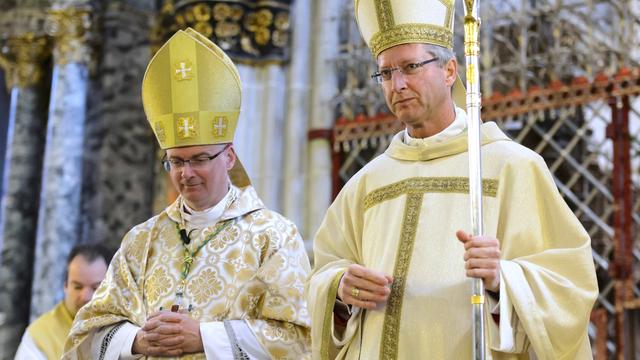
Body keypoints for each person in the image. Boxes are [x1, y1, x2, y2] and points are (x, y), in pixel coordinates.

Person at [307, 0, 598, 359]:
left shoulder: (511, 167)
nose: (397, 84)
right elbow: (325, 270)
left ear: (449, 70)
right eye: (385, 73)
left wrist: (502, 279)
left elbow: (570, 283)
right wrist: (339, 290)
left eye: (411, 66)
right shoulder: (366, 184)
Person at [63, 28, 311, 359]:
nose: (186, 173)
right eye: (175, 161)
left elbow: (300, 338)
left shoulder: (274, 237)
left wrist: (206, 338)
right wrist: (137, 341)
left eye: (199, 159)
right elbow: (84, 335)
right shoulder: (142, 242)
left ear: (229, 157)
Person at [15, 244, 110, 360]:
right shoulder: (39, 336)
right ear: (65, 286)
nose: (85, 297)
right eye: (78, 287)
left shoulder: (126, 329)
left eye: (96, 288)